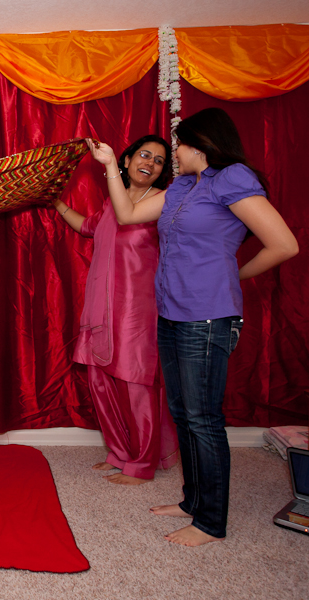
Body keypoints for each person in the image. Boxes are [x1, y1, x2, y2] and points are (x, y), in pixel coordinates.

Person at [88, 108, 298, 546]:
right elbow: (126, 215)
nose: (174, 153)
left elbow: (283, 244)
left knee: (203, 419)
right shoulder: (183, 185)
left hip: (207, 316)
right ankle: (191, 502)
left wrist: (231, 275)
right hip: (171, 312)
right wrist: (111, 165)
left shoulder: (232, 179)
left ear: (199, 145)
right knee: (184, 415)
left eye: (178, 145)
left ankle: (210, 522)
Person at [53, 135, 178, 485]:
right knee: (101, 380)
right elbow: (88, 227)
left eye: (158, 160)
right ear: (126, 161)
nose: (150, 163)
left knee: (136, 384)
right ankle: (120, 453)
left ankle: (142, 463)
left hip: (138, 310)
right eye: (144, 155)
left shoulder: (163, 201)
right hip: (100, 306)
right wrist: (58, 204)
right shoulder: (114, 202)